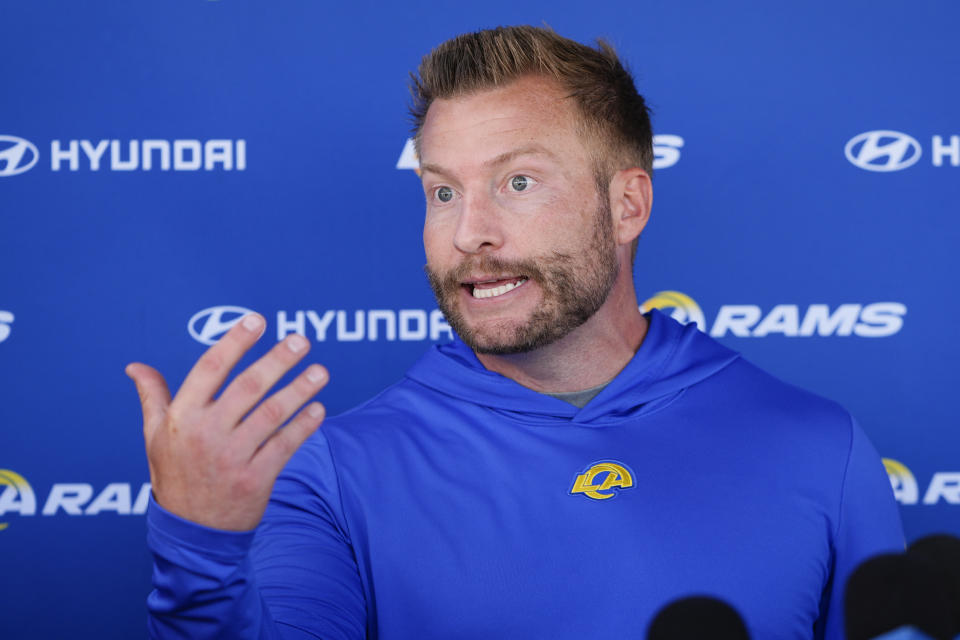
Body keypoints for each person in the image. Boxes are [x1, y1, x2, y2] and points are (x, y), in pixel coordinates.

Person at [127, 25, 905, 640]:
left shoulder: (817, 447)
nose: (469, 233)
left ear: (628, 205)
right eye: (441, 191)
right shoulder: (332, 472)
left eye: (518, 182)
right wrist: (202, 549)